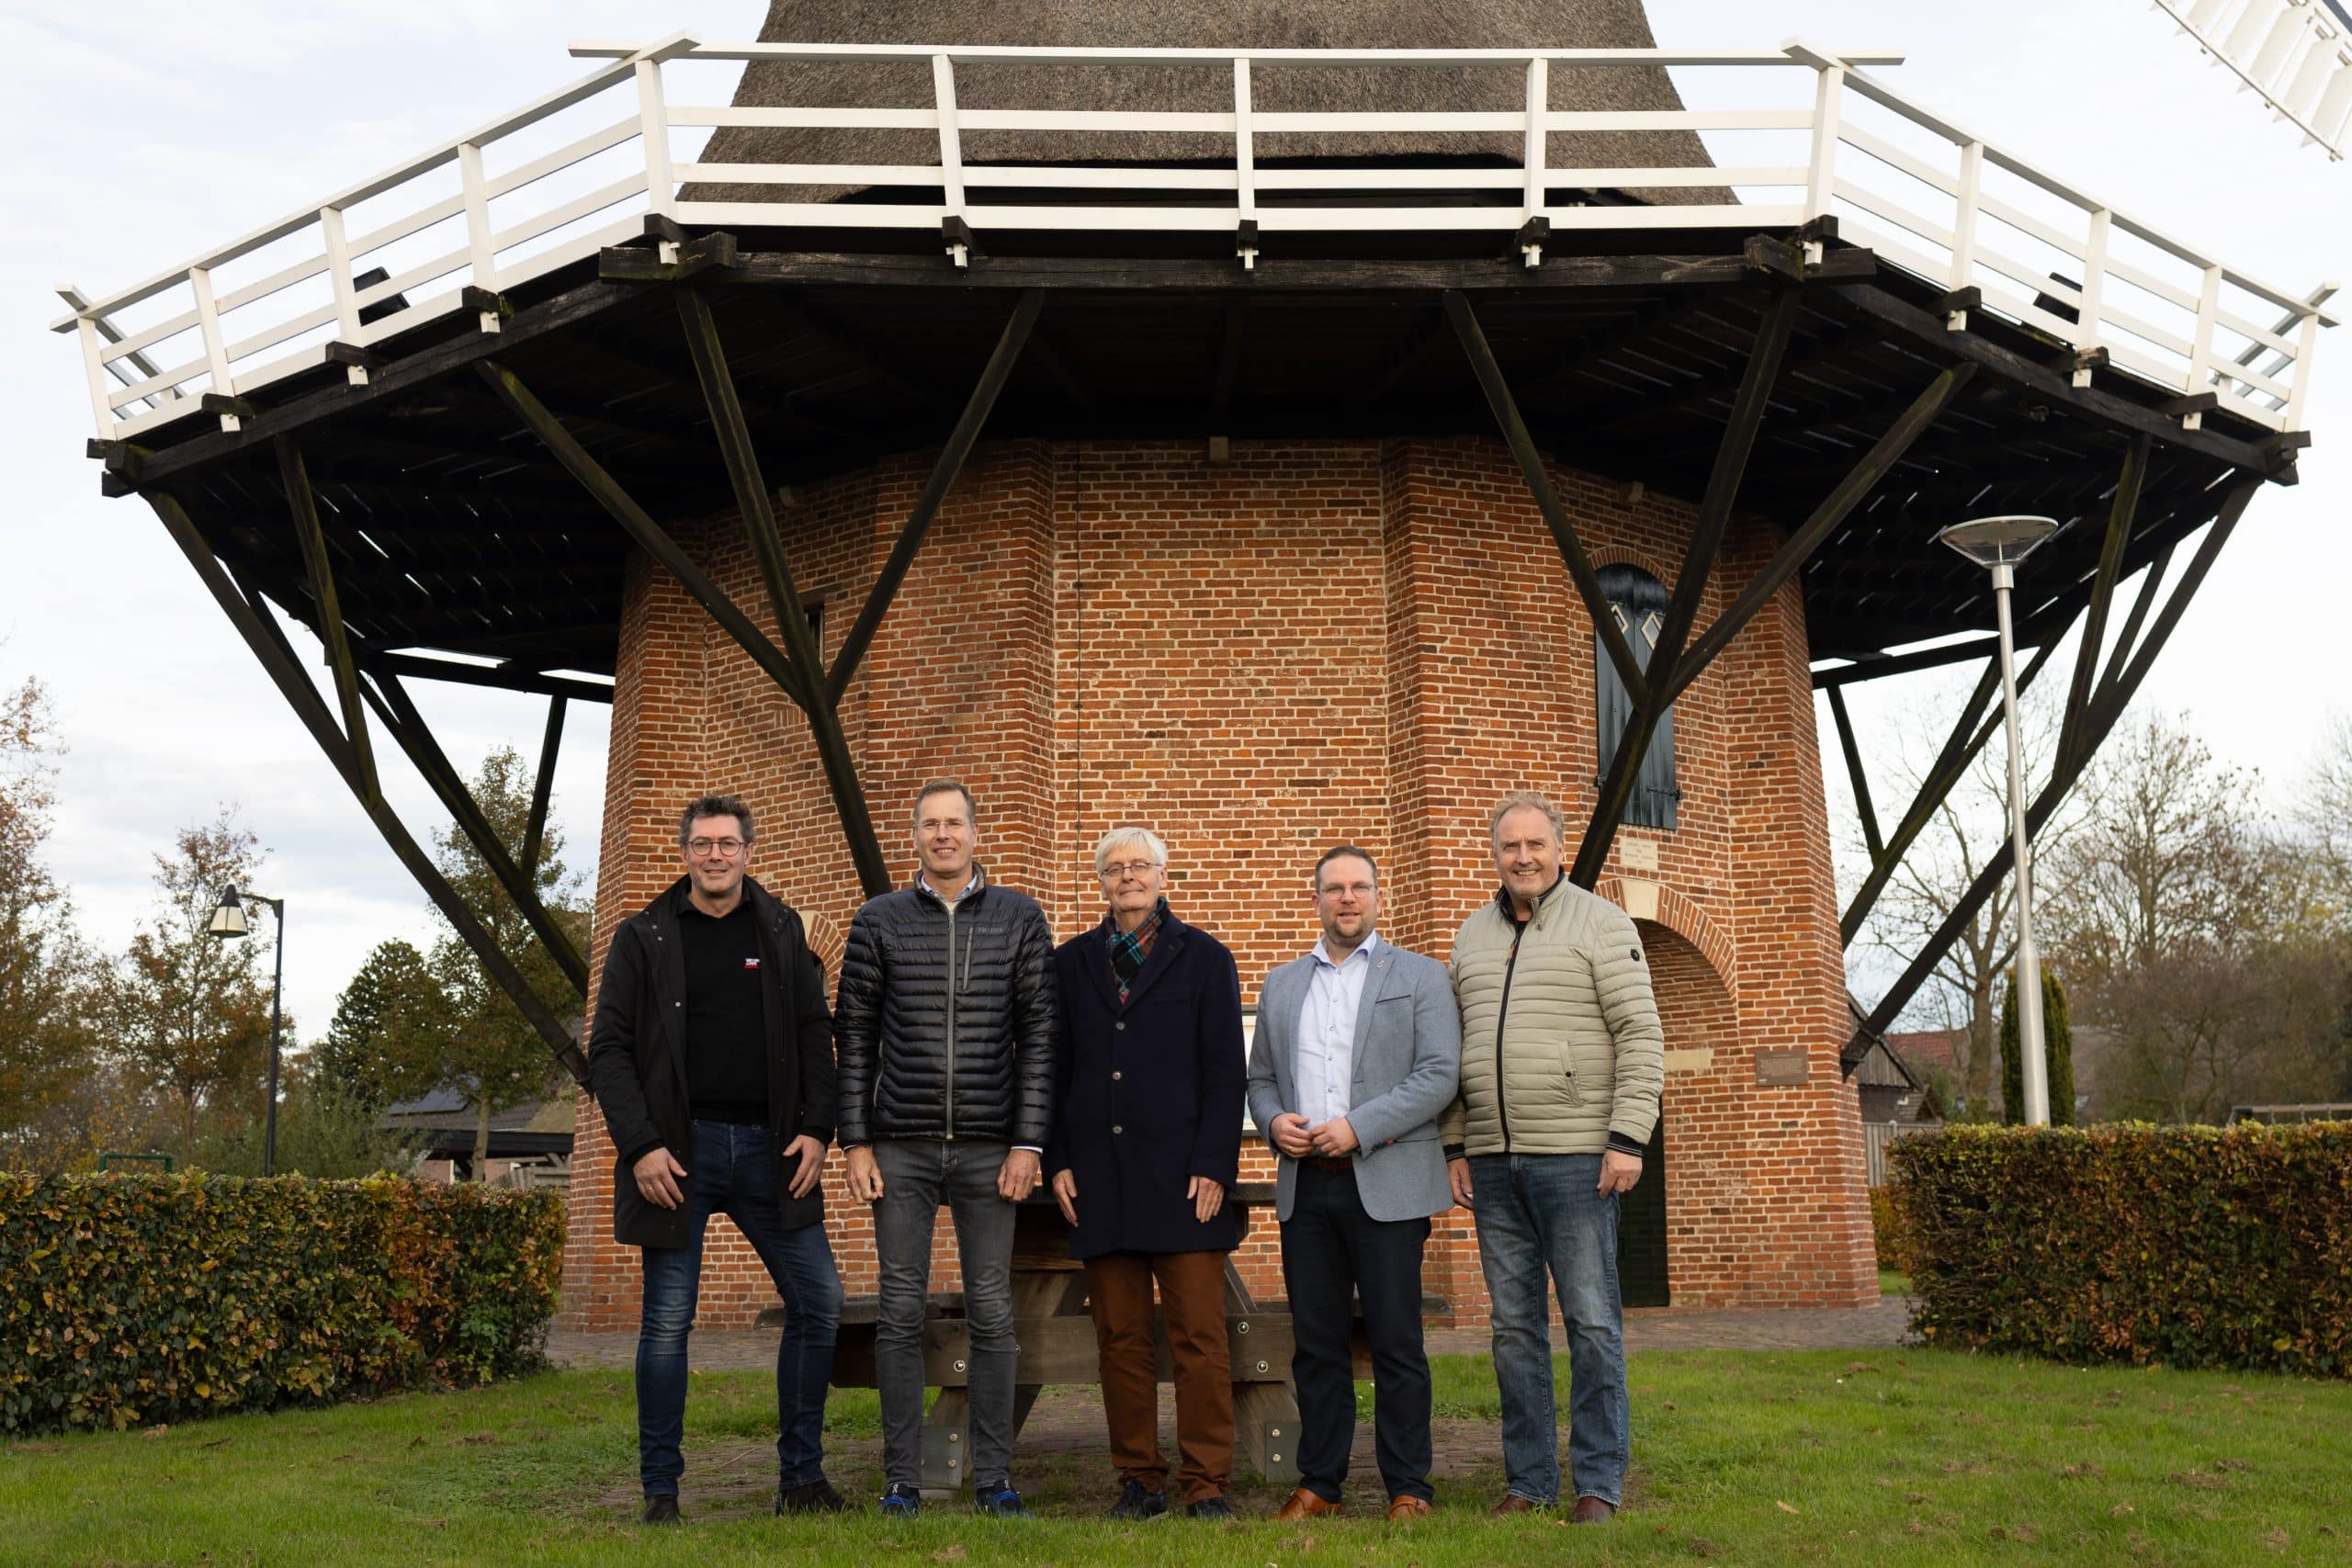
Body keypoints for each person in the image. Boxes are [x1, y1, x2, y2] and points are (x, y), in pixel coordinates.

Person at [586, 794, 845, 1526]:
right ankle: (661, 1492)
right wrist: (638, 1144)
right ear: (683, 853)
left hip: (772, 1150)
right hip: (679, 1152)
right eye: (702, 844)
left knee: (818, 1300)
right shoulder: (644, 937)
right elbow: (607, 1049)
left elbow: (815, 1034)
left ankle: (801, 1478)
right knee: (668, 1323)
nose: (715, 855)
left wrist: (819, 1130)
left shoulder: (784, 930)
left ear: (749, 852)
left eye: (728, 843)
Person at [835, 780, 1058, 1518]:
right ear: (915, 837)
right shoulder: (879, 920)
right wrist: (856, 1141)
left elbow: (1041, 1039)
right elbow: (855, 1039)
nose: (942, 835)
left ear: (975, 832)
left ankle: (994, 1477)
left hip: (992, 1149)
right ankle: (902, 1479)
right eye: (929, 824)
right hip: (898, 1145)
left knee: (992, 1311)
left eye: (954, 822)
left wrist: (1029, 1139)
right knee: (900, 1311)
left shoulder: (1021, 917)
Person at [1443, 790, 1664, 1524]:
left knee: (1593, 1322)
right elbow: (1455, 1051)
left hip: (1577, 1158)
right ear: (1495, 852)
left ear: (1559, 850)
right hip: (1494, 1164)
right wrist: (1456, 1142)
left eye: (1536, 844)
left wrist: (1628, 1137)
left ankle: (1598, 1483)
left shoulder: (1602, 924)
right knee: (1513, 1330)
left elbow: (1640, 1033)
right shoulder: (1471, 937)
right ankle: (1530, 1479)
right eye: (1511, 846)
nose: (1524, 857)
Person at [1245, 845, 1461, 1522]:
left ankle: (1408, 1487)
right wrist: (1274, 1118)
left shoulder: (1422, 976)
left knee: (1397, 1340)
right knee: (1317, 1343)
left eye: (1359, 886)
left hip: (1387, 1182)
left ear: (1377, 896)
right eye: (1334, 888)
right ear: (1316, 898)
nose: (1347, 898)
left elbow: (1437, 1074)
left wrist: (1359, 1127)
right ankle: (1321, 1483)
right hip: (1306, 1187)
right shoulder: (1282, 984)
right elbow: (1259, 1079)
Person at [1046, 826, 1247, 1521]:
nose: (1127, 876)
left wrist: (1215, 1164)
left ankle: (1207, 1482)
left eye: (1140, 865)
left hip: (1187, 1183)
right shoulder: (1069, 963)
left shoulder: (1206, 959)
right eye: (1114, 867)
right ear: (1100, 882)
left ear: (1164, 875)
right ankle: (1140, 1478)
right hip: (1099, 1181)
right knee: (1121, 1340)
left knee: (1199, 1337)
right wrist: (1057, 1159)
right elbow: (1052, 1069)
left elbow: (1227, 1074)